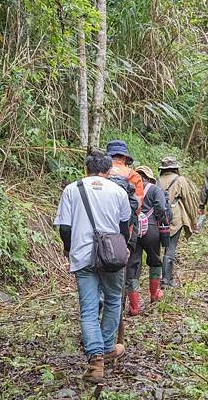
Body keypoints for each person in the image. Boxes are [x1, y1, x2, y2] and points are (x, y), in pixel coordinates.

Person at [54, 150, 131, 384]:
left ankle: (96, 359)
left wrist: (69, 248)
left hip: (83, 256)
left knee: (88, 309)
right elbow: (124, 226)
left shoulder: (72, 189)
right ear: (108, 170)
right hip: (112, 256)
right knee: (113, 300)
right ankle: (108, 346)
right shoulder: (118, 191)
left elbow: (64, 228)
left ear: (86, 169)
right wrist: (123, 247)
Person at [124, 166, 169, 316]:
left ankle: (134, 306)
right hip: (151, 229)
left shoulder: (130, 187)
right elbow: (162, 208)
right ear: (149, 178)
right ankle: (154, 294)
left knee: (132, 264)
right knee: (155, 260)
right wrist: (160, 222)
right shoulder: (155, 189)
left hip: (133, 230)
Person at [157, 156, 198, 288]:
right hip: (175, 217)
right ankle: (166, 279)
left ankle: (157, 278)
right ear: (175, 168)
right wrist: (193, 220)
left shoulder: (157, 180)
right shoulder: (180, 180)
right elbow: (188, 201)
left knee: (158, 248)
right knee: (170, 247)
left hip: (159, 217)